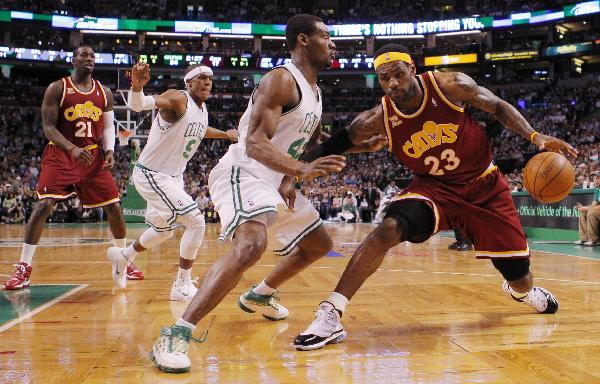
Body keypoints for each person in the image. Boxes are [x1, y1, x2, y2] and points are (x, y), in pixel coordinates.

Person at [294, 43, 578, 350]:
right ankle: (331, 313)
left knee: (520, 277)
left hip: (485, 187)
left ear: (412, 70)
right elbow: (341, 139)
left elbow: (497, 107)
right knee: (387, 229)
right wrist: (297, 166)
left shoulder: (451, 85)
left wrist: (536, 137)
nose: (393, 83)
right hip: (435, 189)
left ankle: (522, 292)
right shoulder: (378, 118)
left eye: (399, 74)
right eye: (384, 78)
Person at [149, 14, 383, 374]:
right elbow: (255, 143)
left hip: (276, 180)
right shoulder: (281, 79)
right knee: (251, 245)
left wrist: (358, 148)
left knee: (318, 244)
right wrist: (299, 170)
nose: (333, 44)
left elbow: (311, 143)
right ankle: (176, 332)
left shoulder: (314, 91)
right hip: (243, 172)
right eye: (326, 36)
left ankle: (260, 293)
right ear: (303, 40)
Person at [4, 46, 143, 290]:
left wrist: (109, 151)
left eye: (92, 56)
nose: (88, 59)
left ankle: (122, 258)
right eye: (83, 55)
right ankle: (24, 267)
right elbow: (48, 128)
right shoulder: (58, 88)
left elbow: (108, 128)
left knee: (114, 206)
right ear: (73, 59)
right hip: (61, 154)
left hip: (91, 155)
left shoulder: (104, 92)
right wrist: (71, 149)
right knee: (44, 204)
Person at [106, 63, 238, 298]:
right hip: (153, 174)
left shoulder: (201, 109)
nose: (207, 82)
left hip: (173, 177)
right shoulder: (178, 98)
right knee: (197, 222)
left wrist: (226, 135)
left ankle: (123, 256)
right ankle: (181, 284)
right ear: (188, 82)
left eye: (210, 78)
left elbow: (200, 129)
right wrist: (137, 87)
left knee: (163, 230)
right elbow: (139, 105)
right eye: (201, 78)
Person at [575, 172, 600, 246]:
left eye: (598, 178)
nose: (595, 180)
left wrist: (585, 208)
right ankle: (584, 239)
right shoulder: (597, 190)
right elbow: (593, 205)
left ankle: (594, 240)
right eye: (594, 179)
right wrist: (583, 208)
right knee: (584, 212)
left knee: (591, 213)